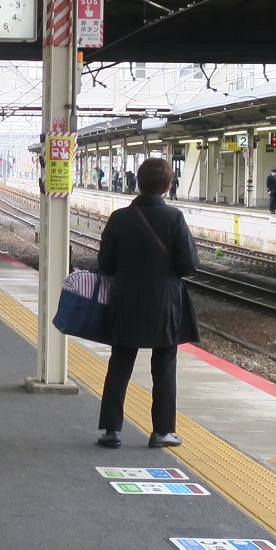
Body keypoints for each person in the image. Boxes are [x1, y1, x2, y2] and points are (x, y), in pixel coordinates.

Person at [93, 155, 198, 450]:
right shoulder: (174, 218)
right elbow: (189, 264)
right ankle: (162, 431)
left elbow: (106, 264)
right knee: (163, 364)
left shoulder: (119, 218)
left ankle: (111, 430)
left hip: (125, 302)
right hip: (165, 304)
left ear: (138, 183)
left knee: (120, 363)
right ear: (167, 185)